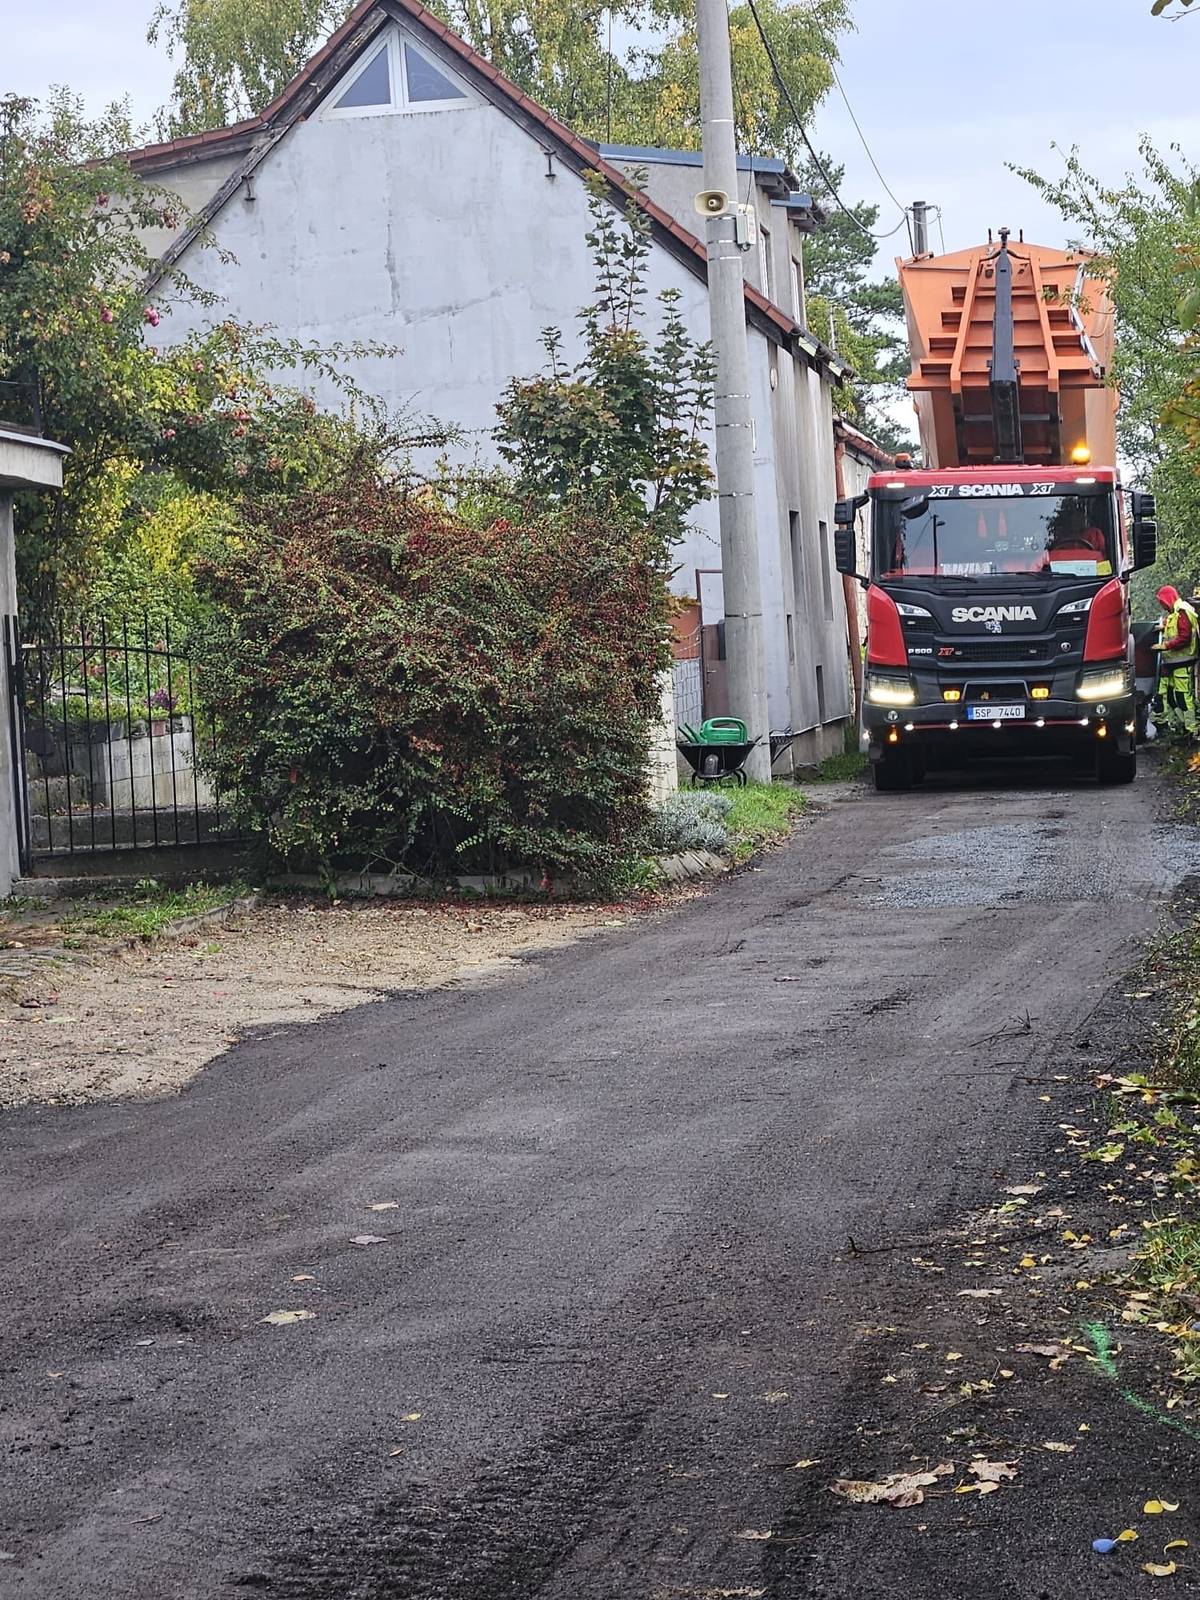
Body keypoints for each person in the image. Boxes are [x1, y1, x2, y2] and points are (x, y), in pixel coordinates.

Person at [1153, 584, 1199, 738]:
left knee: (1183, 697)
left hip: (1183, 662)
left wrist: (1164, 645)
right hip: (1173, 663)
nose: (1163, 606)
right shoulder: (1174, 613)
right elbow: (1174, 630)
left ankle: (1191, 731)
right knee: (1172, 697)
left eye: (1163, 602)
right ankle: (1183, 726)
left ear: (1169, 599)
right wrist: (1162, 629)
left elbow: (1184, 637)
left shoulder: (1182, 611)